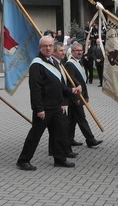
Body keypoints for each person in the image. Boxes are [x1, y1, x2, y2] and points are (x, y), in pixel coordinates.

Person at [15, 36, 82, 171]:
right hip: (44, 108)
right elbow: (35, 89)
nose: (48, 48)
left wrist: (71, 90)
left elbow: (59, 85)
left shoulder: (53, 62)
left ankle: (59, 159)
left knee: (59, 133)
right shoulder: (37, 64)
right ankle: (23, 160)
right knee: (35, 135)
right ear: (40, 48)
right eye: (45, 46)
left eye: (50, 45)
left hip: (56, 106)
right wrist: (38, 109)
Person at [65, 42, 103, 148]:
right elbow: (71, 81)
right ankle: (90, 140)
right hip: (76, 96)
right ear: (72, 52)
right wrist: (76, 97)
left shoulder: (79, 62)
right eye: (77, 50)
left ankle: (69, 139)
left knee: (72, 119)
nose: (80, 52)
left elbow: (82, 82)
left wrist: (86, 95)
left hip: (81, 95)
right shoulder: (70, 64)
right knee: (82, 119)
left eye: (81, 50)